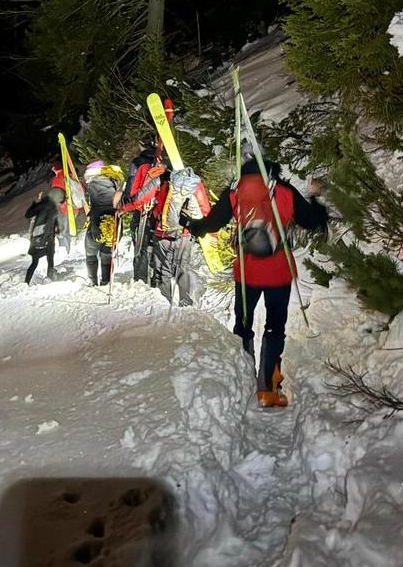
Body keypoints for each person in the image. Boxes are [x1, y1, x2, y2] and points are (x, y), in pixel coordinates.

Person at [184, 147, 328, 407]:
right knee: (275, 327)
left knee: (243, 325)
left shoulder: (236, 192)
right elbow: (312, 221)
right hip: (278, 272)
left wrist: (193, 225)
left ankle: (242, 380)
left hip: (247, 272)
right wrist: (315, 198)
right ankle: (268, 389)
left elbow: (212, 224)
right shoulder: (282, 190)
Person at [152, 166, 211, 307]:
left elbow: (157, 210)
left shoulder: (167, 184)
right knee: (182, 269)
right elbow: (205, 211)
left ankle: (165, 304)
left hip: (164, 235)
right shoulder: (195, 186)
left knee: (162, 270)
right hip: (185, 235)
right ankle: (185, 303)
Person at [114, 142, 166, 283]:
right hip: (160, 211)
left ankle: (141, 279)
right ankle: (158, 278)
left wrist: (123, 206)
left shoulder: (138, 163)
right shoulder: (163, 163)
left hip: (142, 210)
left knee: (140, 245)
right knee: (157, 244)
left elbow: (132, 189)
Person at [84, 160, 124, 287]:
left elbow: (85, 202)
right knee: (107, 251)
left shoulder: (92, 185)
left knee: (90, 250)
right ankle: (106, 280)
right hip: (113, 220)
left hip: (97, 220)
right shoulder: (115, 182)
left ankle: (93, 280)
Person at [24, 188, 64, 284]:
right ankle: (49, 279)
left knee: (35, 262)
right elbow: (56, 222)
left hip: (38, 237)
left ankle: (26, 282)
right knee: (50, 259)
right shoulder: (52, 206)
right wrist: (58, 228)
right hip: (46, 237)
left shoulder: (44, 204)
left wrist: (36, 203)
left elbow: (28, 215)